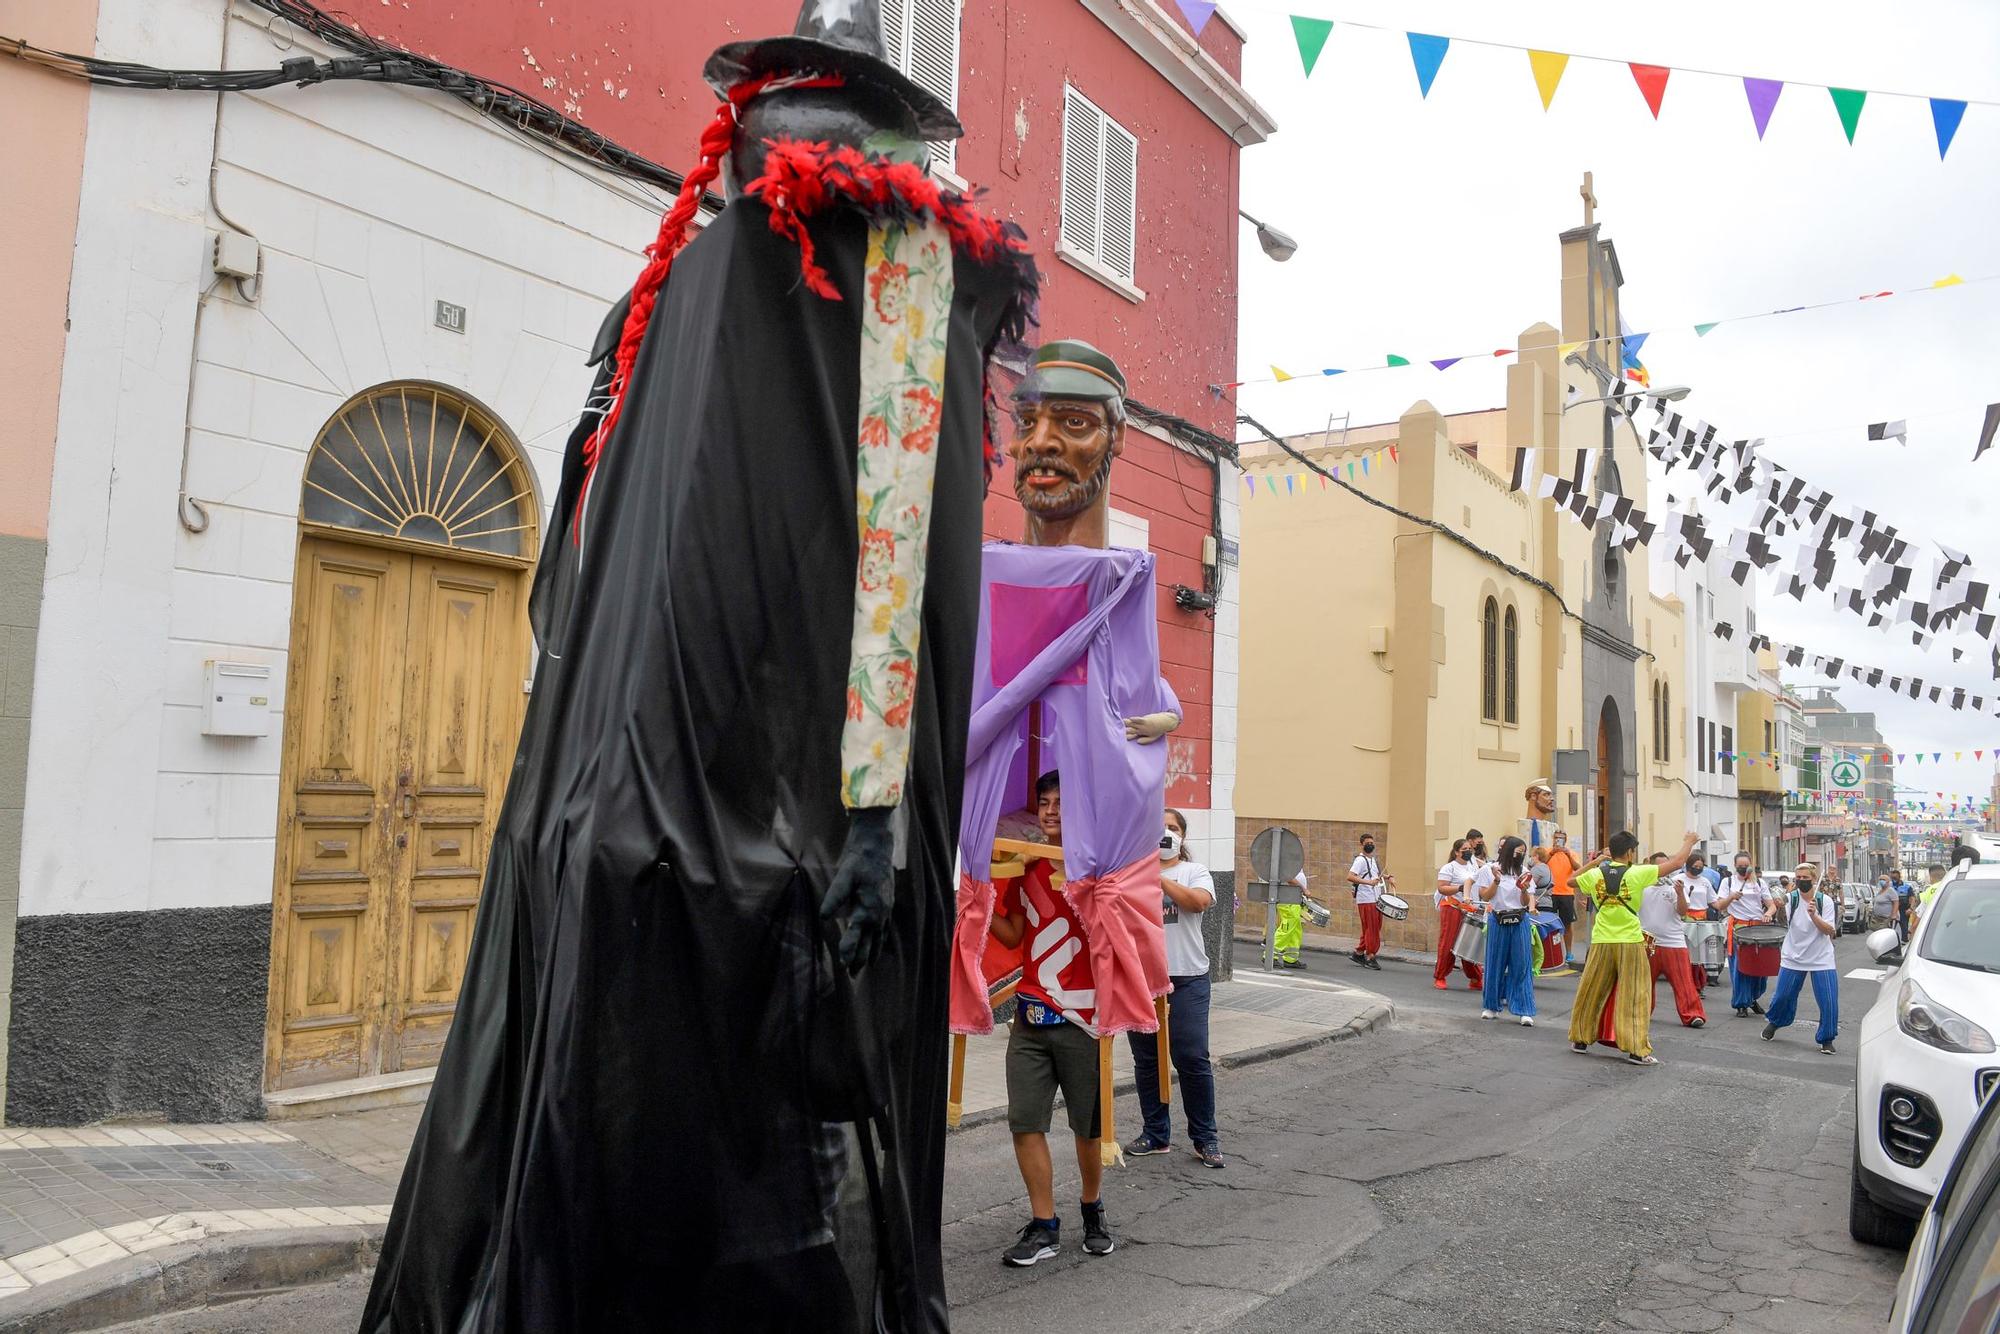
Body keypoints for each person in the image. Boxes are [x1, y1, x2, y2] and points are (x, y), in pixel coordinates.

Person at [361, 4, 1039, 1324]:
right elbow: (882, 554)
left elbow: (874, 548)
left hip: (662, 828)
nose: (772, 163)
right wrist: (869, 809)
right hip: (714, 839)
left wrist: (866, 808)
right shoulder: (823, 277)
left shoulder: (779, 280)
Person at [990, 772, 1115, 1265]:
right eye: (1044, 802)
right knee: (1024, 1122)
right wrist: (976, 908)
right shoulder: (1024, 865)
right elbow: (1013, 933)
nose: (1050, 810)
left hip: (1084, 1021)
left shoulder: (1099, 869)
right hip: (1030, 1016)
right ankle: (1044, 1225)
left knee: (1088, 1129)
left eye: (1062, 802)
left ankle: (1091, 1208)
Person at [1126, 809, 1223, 1170]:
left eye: (1173, 828)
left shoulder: (1193, 872)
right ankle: (1155, 1133)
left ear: (1183, 836)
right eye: (1159, 827)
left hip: (1187, 980)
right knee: (1147, 1061)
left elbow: (1198, 903)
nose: (1166, 833)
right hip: (1143, 980)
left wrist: (1158, 878)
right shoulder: (1133, 872)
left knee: (1192, 1057)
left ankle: (1205, 1137)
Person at [1567, 830, 1699, 1067]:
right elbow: (1677, 863)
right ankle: (1637, 1050)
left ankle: (1580, 1039)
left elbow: (1570, 881)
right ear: (1629, 852)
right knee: (1636, 994)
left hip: (1601, 940)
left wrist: (1596, 862)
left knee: (1591, 989)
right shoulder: (1637, 872)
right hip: (1629, 939)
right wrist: (1688, 841)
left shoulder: (1596, 874)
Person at [1761, 862, 1841, 1055]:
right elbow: (1781, 919)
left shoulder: (1825, 901)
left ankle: (1826, 1038)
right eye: (1799, 878)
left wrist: (1814, 916)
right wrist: (1774, 910)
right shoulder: (1791, 899)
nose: (1802, 881)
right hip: (1793, 956)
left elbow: (1830, 931)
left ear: (1814, 879)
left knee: (1829, 1000)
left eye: (1806, 878)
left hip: (1822, 958)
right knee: (1783, 996)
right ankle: (1775, 1022)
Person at [1640, 854, 1707, 1028]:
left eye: (1668, 866)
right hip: (1647, 941)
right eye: (1661, 867)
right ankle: (1642, 1011)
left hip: (1673, 941)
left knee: (1683, 981)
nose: (1665, 870)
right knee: (1643, 982)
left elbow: (1683, 911)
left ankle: (1692, 1015)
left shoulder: (1675, 886)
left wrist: (1679, 893)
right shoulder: (1641, 886)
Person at [1478, 836, 1538, 1026]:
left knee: (1521, 965)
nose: (1520, 856)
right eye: (1517, 852)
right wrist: (1496, 881)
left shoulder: (1525, 872)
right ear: (1508, 851)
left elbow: (1525, 902)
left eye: (1523, 853)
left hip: (1519, 919)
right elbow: (1485, 896)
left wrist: (1524, 890)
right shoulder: (1489, 869)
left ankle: (1524, 1009)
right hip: (1498, 918)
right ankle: (1491, 1006)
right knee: (1494, 963)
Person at [1714, 853, 1779, 1017]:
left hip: (1758, 927)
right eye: (1740, 865)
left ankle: (1752, 998)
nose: (1743, 868)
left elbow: (1771, 905)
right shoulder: (1727, 882)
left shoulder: (1759, 882)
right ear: (1735, 866)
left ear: (1751, 865)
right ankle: (1741, 1003)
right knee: (1741, 968)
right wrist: (1731, 897)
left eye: (1746, 865)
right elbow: (1720, 905)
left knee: (1760, 968)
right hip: (1739, 928)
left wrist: (1769, 914)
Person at [1434, 838, 1485, 991]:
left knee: (1469, 944)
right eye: (1464, 849)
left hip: (1470, 909)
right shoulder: (1449, 868)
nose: (1468, 851)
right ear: (1456, 852)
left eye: (1470, 848)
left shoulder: (1473, 866)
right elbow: (1442, 888)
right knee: (1448, 943)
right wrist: (1460, 888)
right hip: (1453, 908)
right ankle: (1440, 976)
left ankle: (1475, 977)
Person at [1347, 833, 1389, 970]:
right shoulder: (1360, 860)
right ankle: (1370, 956)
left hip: (1375, 897)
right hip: (1366, 898)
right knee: (1372, 928)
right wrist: (1368, 882)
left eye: (1372, 842)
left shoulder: (1372, 860)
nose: (1370, 844)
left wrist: (1388, 877)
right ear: (1362, 844)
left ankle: (1359, 953)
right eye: (1367, 843)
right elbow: (1350, 876)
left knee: (1372, 927)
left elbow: (1375, 876)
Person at [1543, 828, 1583, 972]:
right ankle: (1550, 953)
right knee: (1548, 924)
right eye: (1556, 838)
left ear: (1565, 840)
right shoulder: (1548, 852)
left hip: (1566, 893)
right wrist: (1552, 853)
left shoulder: (1571, 853)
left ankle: (1569, 953)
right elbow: (1541, 865)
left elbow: (1578, 868)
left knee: (1567, 924)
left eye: (1560, 838)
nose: (1558, 840)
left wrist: (1567, 855)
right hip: (1550, 893)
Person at [1274, 866, 1307, 970]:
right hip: (1288, 899)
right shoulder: (1284, 859)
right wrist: (1304, 889)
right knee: (1286, 928)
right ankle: (1270, 955)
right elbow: (1288, 878)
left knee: (1295, 930)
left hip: (1293, 899)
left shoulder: (1292, 859)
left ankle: (1290, 958)